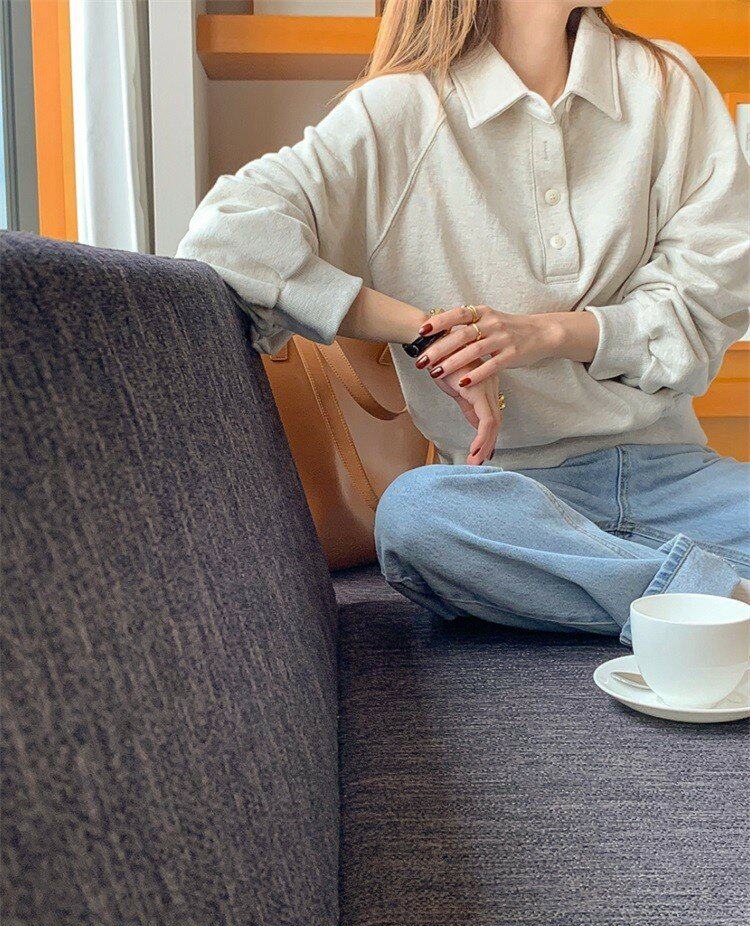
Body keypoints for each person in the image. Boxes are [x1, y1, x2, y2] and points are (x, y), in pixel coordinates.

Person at [176, 1, 750, 644]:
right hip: (505, 501)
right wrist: (423, 330)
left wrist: (547, 333)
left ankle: (682, 608)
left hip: (678, 478)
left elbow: (704, 305)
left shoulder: (666, 85)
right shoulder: (399, 113)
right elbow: (226, 235)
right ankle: (717, 605)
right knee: (417, 517)